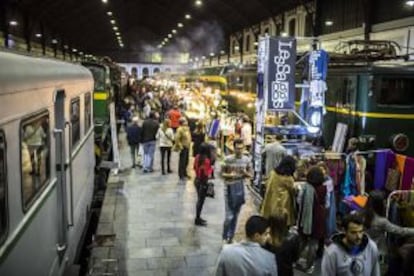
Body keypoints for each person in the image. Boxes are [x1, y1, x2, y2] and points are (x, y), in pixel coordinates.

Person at [364, 190, 414, 274]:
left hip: (364, 251)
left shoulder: (361, 215)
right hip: (379, 253)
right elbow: (400, 231)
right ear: (379, 204)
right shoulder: (381, 221)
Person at [221, 139, 253, 244]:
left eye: (241, 148)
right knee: (229, 216)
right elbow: (221, 173)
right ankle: (224, 237)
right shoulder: (227, 159)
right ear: (233, 148)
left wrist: (245, 173)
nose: (239, 150)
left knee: (235, 215)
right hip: (229, 189)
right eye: (237, 148)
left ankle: (231, 237)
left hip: (240, 189)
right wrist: (230, 175)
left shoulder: (247, 160)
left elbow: (251, 175)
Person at [260, 155, 297, 227]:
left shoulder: (273, 173)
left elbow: (267, 183)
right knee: (281, 224)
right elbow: (292, 190)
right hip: (282, 204)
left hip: (270, 200)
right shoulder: (288, 178)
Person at [263, 208, 301, 276]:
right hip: (286, 272)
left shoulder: (265, 239)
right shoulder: (293, 238)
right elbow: (295, 258)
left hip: (269, 272)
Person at [193, 143, 213, 226]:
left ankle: (198, 217)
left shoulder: (197, 157)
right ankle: (197, 218)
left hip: (197, 180)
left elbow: (194, 167)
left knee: (199, 200)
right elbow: (206, 172)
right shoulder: (206, 160)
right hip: (203, 182)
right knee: (201, 201)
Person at [174, 118, 192, 182]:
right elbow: (177, 139)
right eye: (185, 121)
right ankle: (181, 174)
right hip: (183, 147)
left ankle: (185, 173)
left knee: (186, 161)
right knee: (182, 161)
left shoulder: (187, 129)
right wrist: (180, 146)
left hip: (187, 146)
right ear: (182, 122)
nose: (187, 122)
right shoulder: (180, 129)